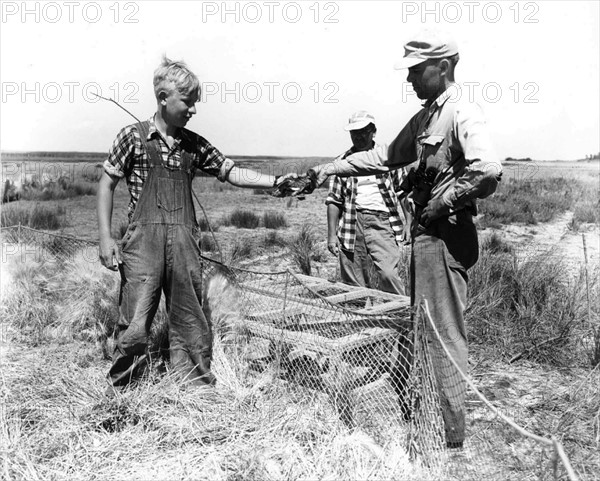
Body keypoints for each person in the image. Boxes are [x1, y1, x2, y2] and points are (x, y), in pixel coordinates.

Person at [291, 30, 502, 449]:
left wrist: (444, 203)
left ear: (442, 67)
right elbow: (385, 156)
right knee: (424, 329)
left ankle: (449, 434)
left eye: (415, 71)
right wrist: (329, 168)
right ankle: (428, 419)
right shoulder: (426, 118)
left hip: (446, 236)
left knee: (443, 333)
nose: (409, 80)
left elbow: (488, 170)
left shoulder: (461, 112)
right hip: (425, 238)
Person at [97, 56, 286, 392]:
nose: (193, 110)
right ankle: (124, 390)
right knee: (136, 318)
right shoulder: (133, 137)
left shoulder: (193, 145)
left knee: (188, 317)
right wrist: (105, 238)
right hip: (141, 246)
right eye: (188, 102)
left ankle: (194, 387)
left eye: (196, 102)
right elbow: (106, 183)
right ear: (163, 97)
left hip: (185, 245)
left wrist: (276, 181)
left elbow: (231, 171)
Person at [326, 110, 409, 295]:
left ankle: (402, 316)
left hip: (382, 222)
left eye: (363, 131)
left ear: (373, 131)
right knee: (353, 279)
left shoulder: (389, 157)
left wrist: (409, 223)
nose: (359, 136)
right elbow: (334, 200)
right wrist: (332, 235)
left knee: (388, 274)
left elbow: (403, 191)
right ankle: (359, 319)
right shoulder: (341, 162)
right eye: (354, 132)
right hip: (351, 223)